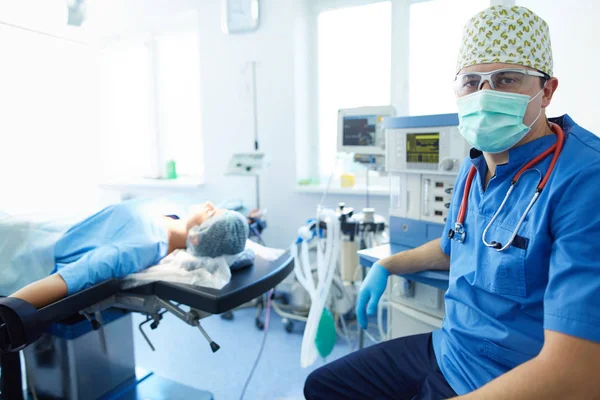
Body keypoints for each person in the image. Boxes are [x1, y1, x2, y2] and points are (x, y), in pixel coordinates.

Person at [305, 5, 600, 399]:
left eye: (506, 79)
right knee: (323, 387)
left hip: (512, 377)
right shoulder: (476, 164)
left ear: (546, 90)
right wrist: (387, 265)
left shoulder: (584, 179)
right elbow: (453, 245)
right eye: (471, 81)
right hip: (450, 352)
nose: (484, 95)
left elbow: (576, 373)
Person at [8, 200, 249, 309]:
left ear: (197, 237)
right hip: (47, 220)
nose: (209, 204)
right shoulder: (172, 214)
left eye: (212, 214)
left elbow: (65, 280)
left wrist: (7, 311)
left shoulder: (141, 246)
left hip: (26, 247)